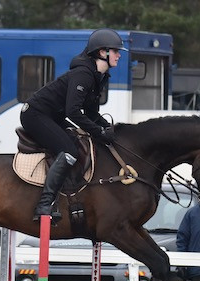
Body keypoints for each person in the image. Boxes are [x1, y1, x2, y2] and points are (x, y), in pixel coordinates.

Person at [20, 28, 126, 223]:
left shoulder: (98, 77)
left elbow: (92, 114)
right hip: (35, 114)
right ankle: (44, 205)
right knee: (69, 150)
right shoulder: (83, 74)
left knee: (78, 142)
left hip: (51, 115)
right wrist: (99, 132)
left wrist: (112, 129)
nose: (119, 55)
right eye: (116, 51)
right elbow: (73, 112)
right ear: (103, 52)